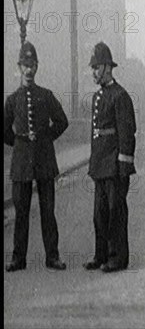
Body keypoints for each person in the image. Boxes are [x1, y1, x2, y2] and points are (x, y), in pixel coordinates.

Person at [4, 41, 69, 272]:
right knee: (21, 212)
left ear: (37, 67)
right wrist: (20, 143)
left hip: (44, 159)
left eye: (32, 65)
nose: (29, 70)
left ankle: (53, 257)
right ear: (19, 68)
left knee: (47, 210)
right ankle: (18, 259)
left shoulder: (46, 95)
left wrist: (44, 139)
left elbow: (62, 121)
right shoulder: (11, 100)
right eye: (25, 65)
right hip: (21, 162)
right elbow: (4, 131)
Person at [83, 42, 136, 273]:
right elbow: (96, 135)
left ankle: (118, 258)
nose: (93, 72)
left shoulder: (120, 95)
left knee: (116, 212)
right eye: (92, 68)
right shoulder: (97, 97)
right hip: (100, 164)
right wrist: (93, 163)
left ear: (107, 67)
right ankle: (101, 254)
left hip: (115, 164)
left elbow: (127, 132)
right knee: (99, 214)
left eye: (96, 67)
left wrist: (124, 165)